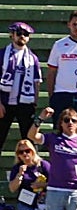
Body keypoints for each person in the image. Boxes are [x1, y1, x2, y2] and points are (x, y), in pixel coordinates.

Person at [0, 22, 42, 155]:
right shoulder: (2, 55)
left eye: (26, 34)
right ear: (12, 35)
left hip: (25, 103)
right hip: (4, 102)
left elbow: (36, 82)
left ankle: (32, 167)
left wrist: (34, 102)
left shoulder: (33, 58)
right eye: (19, 33)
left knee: (29, 140)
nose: (22, 36)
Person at [7, 138, 49, 210]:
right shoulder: (17, 168)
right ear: (18, 155)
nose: (25, 154)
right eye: (21, 152)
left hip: (42, 201)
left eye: (27, 151)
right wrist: (19, 175)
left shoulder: (43, 165)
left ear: (33, 151)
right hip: (25, 201)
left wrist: (41, 185)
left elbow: (56, 183)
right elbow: (12, 188)